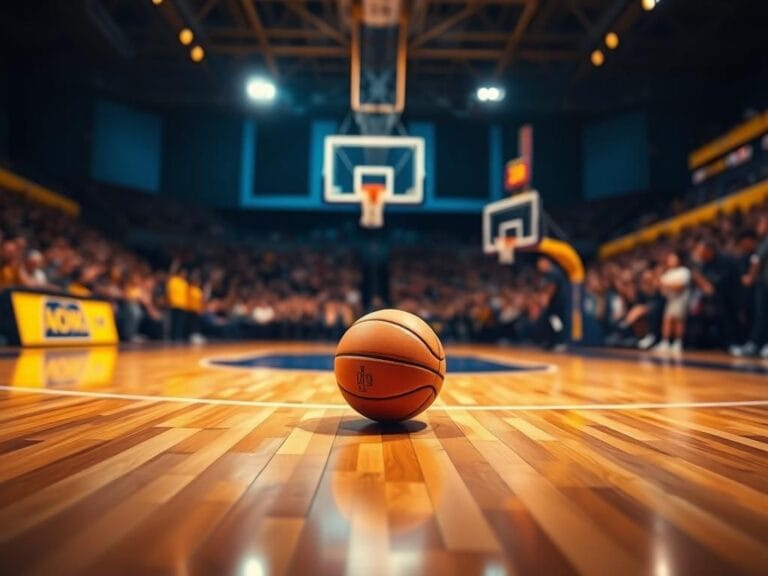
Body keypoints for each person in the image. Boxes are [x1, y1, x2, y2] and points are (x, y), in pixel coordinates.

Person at [733, 215, 768, 357]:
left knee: (762, 314)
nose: (759, 226)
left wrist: (750, 278)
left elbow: (757, 261)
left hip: (764, 283)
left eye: (762, 223)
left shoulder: (765, 242)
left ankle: (755, 344)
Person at [653, 251, 691, 354]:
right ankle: (665, 342)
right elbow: (659, 286)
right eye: (669, 259)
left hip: (680, 298)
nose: (671, 261)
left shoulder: (684, 271)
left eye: (673, 258)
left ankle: (678, 343)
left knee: (678, 321)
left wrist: (665, 284)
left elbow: (680, 287)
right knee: (667, 320)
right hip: (670, 299)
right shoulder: (668, 272)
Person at [536, 257, 569, 350]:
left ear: (546, 262)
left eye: (540, 264)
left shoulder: (554, 273)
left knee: (556, 323)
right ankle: (551, 342)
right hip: (553, 305)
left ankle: (560, 342)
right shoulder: (546, 275)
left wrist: (545, 298)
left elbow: (551, 288)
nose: (539, 267)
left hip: (558, 304)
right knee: (550, 322)